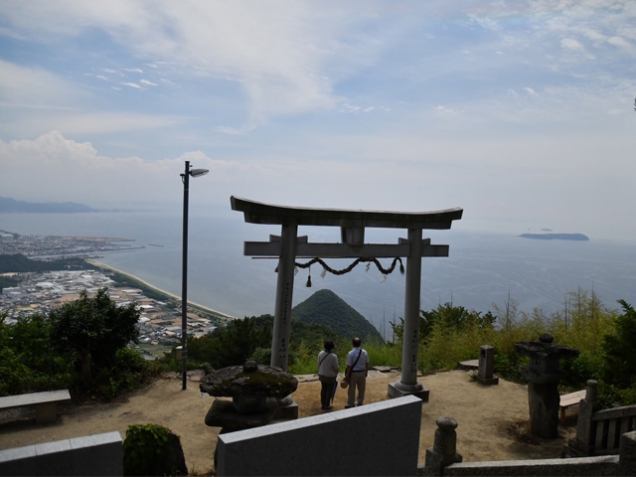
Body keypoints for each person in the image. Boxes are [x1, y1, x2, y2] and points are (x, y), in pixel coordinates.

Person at [345, 337, 369, 408]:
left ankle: (351, 403)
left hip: (354, 373)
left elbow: (349, 366)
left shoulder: (351, 353)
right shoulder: (364, 352)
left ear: (352, 344)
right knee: (362, 388)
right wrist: (366, 372)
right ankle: (360, 402)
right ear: (360, 344)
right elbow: (367, 363)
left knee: (352, 388)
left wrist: (347, 374)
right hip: (362, 372)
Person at [317, 340, 339, 410]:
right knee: (329, 390)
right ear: (332, 347)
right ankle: (327, 405)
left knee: (323, 389)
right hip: (330, 376)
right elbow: (336, 368)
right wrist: (336, 373)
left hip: (322, 374)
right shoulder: (334, 356)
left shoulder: (320, 353)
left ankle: (323, 404)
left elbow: (318, 364)